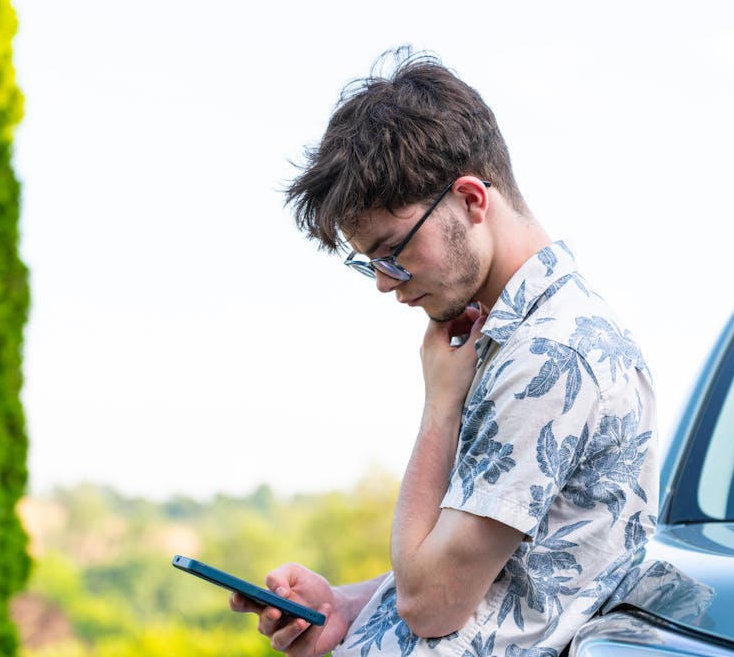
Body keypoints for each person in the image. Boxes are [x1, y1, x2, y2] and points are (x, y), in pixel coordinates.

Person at [229, 50, 658, 657]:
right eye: (370, 262)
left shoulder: (553, 357)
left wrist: (440, 407)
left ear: (471, 200)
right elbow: (508, 571)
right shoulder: (512, 338)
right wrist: (348, 607)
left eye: (392, 249)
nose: (385, 280)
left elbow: (431, 604)